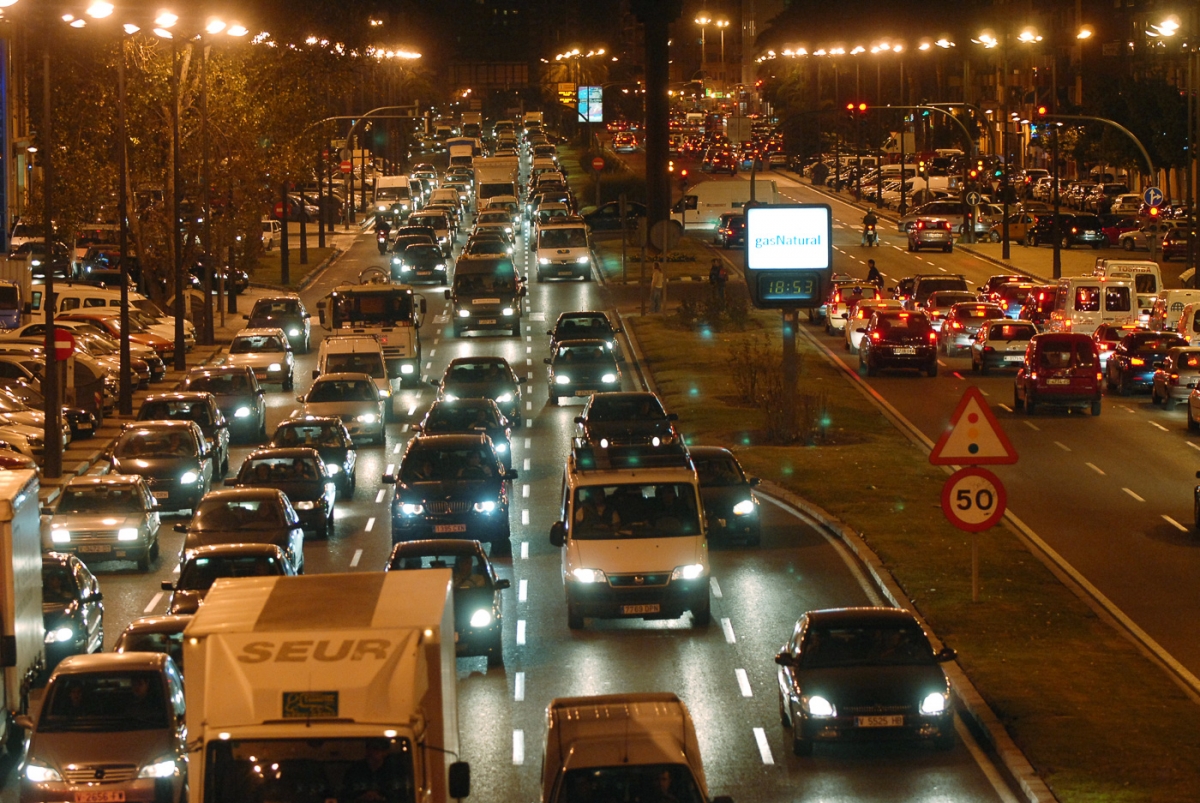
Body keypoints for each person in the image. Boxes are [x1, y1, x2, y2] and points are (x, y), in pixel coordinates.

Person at [340, 739, 408, 803]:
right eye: (369, 748)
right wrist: (361, 797)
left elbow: (402, 796)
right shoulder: (354, 771)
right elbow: (344, 796)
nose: (371, 752)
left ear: (385, 752)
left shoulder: (394, 771)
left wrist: (382, 798)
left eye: (376, 748)